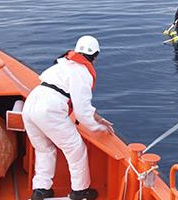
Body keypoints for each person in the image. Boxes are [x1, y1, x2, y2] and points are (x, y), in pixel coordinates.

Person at [23, 36, 114, 200]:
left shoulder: (62, 65)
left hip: (30, 104)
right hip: (49, 110)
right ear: (95, 55)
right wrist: (98, 127)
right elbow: (81, 111)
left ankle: (41, 190)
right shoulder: (82, 72)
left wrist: (95, 116)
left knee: (44, 149)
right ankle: (80, 191)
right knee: (76, 149)